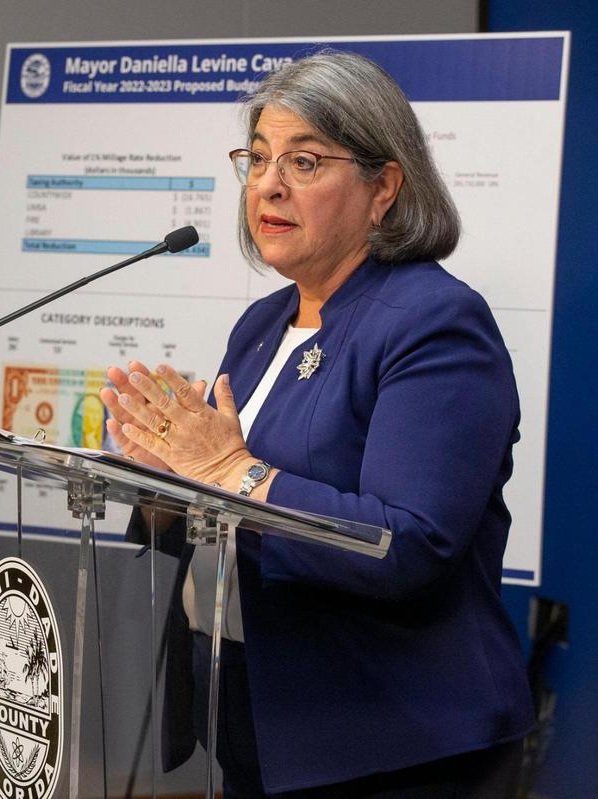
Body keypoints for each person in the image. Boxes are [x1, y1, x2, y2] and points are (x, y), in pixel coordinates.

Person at [99, 50, 535, 798]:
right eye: (259, 158)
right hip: (253, 713)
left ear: (383, 188)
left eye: (304, 161)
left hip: (389, 743)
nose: (267, 184)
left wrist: (229, 472)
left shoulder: (435, 324)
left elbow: (406, 544)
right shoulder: (262, 324)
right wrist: (164, 484)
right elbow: (226, 504)